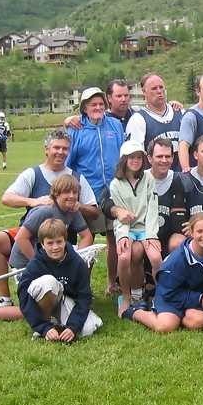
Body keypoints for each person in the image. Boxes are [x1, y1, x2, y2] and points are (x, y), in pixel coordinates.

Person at [0, 129, 99, 308]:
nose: (61, 152)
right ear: (46, 149)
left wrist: (78, 206)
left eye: (65, 148)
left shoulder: (76, 177)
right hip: (30, 233)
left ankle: (73, 291)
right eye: (56, 147)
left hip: (60, 239)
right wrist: (33, 201)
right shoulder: (33, 174)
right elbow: (6, 198)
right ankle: (5, 299)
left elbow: (94, 211)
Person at [67, 86, 125, 295]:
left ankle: (112, 283)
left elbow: (123, 155)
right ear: (84, 107)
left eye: (101, 104)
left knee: (113, 238)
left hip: (113, 192)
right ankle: (84, 286)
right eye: (93, 105)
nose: (98, 108)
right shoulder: (76, 129)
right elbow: (69, 163)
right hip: (87, 193)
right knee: (88, 239)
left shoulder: (115, 125)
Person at [121, 213, 203, 333]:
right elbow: (168, 292)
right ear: (191, 233)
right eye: (199, 231)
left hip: (193, 295)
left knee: (198, 321)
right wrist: (198, 298)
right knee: (165, 326)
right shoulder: (177, 260)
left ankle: (179, 317)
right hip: (170, 295)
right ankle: (135, 312)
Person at [17, 219, 102, 341]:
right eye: (50, 243)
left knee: (87, 329)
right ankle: (46, 323)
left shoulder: (78, 263)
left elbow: (84, 297)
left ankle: (59, 325)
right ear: (42, 244)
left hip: (66, 301)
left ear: (65, 241)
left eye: (59, 242)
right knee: (48, 282)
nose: (55, 247)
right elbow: (23, 295)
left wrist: (73, 326)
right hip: (44, 300)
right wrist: (43, 327)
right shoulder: (35, 264)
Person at [109, 140, 161, 317]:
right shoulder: (116, 184)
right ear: (124, 159)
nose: (135, 161)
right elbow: (121, 216)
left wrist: (151, 235)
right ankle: (126, 297)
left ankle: (161, 296)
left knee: (156, 257)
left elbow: (152, 208)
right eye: (131, 157)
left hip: (146, 228)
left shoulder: (149, 179)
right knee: (124, 257)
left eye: (139, 157)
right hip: (127, 228)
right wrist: (123, 236)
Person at [7, 174, 93, 271]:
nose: (71, 196)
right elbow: (21, 238)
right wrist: (37, 263)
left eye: (75, 192)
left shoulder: (72, 210)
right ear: (56, 194)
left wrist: (76, 259)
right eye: (67, 192)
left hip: (49, 258)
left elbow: (87, 236)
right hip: (25, 262)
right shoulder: (45, 211)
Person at [126, 73, 184, 170]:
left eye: (161, 87)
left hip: (181, 176)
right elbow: (135, 158)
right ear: (144, 92)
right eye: (154, 88)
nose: (159, 91)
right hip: (153, 177)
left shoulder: (180, 112)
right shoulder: (138, 120)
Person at [64, 79, 137, 133]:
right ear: (109, 98)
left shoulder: (137, 115)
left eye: (126, 95)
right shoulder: (101, 118)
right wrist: (68, 121)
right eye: (119, 96)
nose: (123, 99)